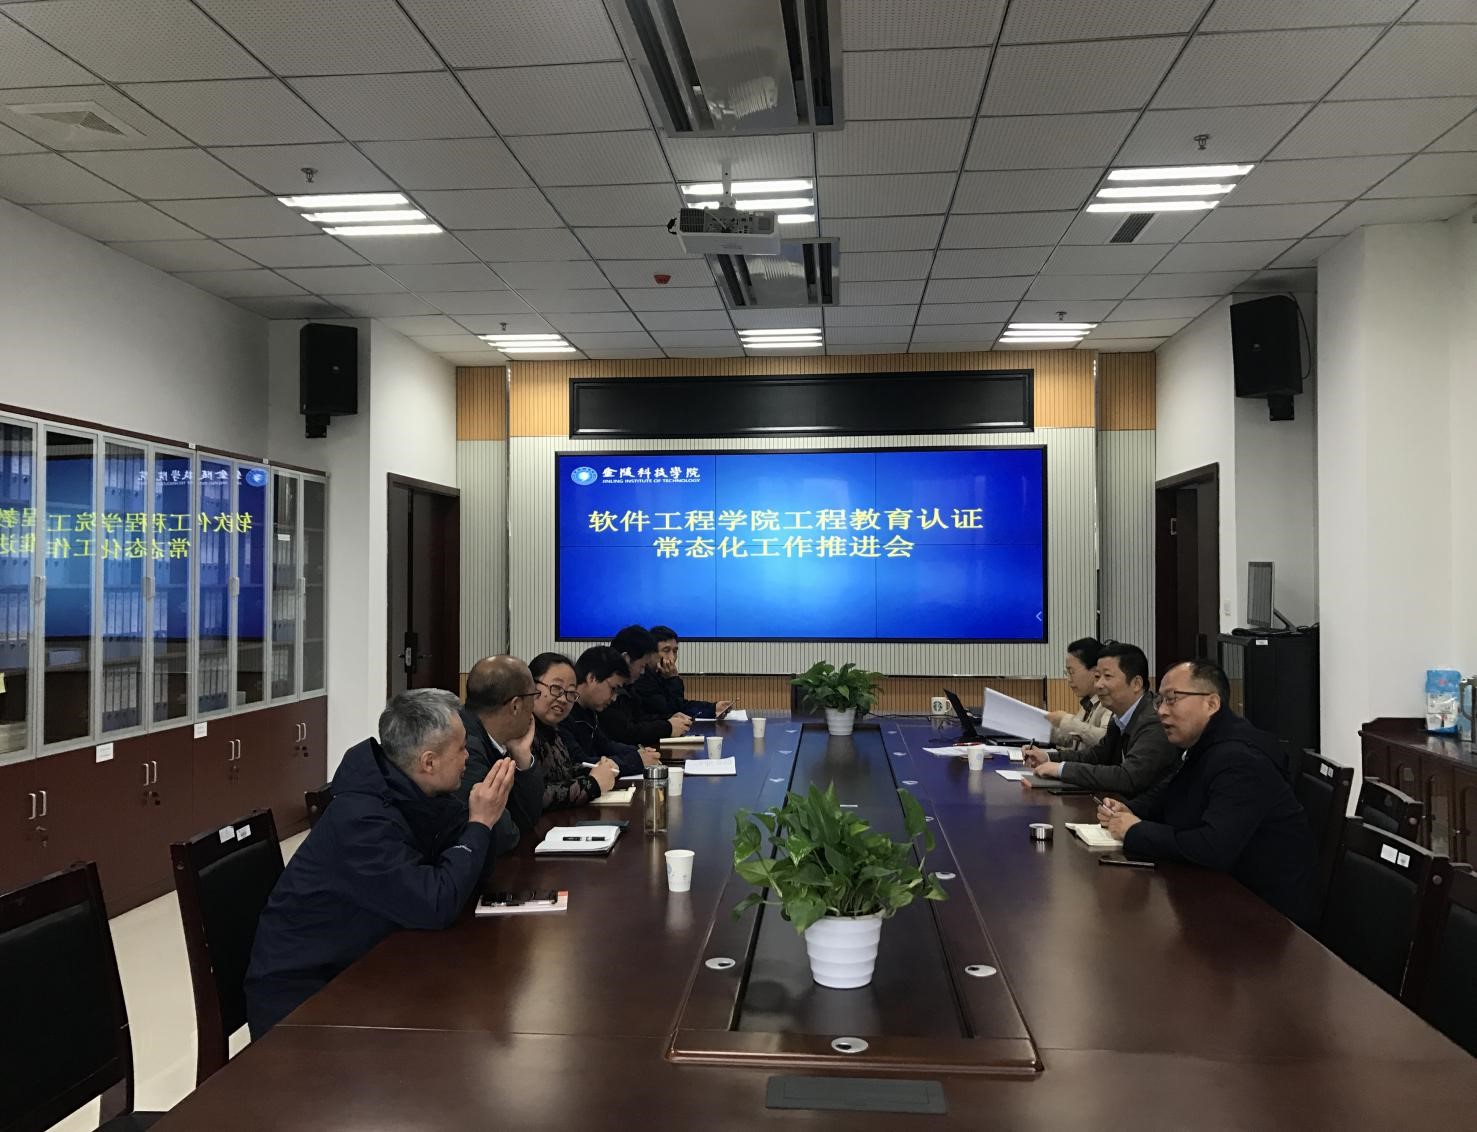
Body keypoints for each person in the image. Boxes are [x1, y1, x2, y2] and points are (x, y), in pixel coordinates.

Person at [245, 689, 516, 1038]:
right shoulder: (362, 821)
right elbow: (434, 903)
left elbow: (479, 864)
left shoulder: (414, 791)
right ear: (429, 762)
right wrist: (479, 823)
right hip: (305, 996)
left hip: (365, 964)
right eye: (462, 748)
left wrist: (487, 817)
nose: (468, 757)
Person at [1098, 659, 1320, 927]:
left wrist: (1135, 830)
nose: (1162, 711)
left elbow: (1212, 847)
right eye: (1160, 701)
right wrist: (1131, 810)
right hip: (1222, 893)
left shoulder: (1240, 759)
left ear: (1212, 704)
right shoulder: (1206, 744)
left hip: (1266, 918)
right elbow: (1170, 796)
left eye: (1172, 699)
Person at [1023, 641, 1178, 797]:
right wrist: (1048, 757)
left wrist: (1061, 769)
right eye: (1097, 677)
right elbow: (1095, 757)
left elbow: (1128, 777)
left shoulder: (1154, 720)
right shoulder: (1119, 719)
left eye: (1107, 676)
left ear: (1136, 684)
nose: (1098, 684)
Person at [457, 655, 547, 852]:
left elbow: (526, 819)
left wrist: (522, 756)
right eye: (534, 695)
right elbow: (505, 836)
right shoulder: (465, 748)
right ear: (516, 705)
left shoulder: (493, 738)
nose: (534, 706)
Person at [527, 651, 619, 809]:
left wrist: (596, 769)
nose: (563, 699)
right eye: (556, 688)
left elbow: (563, 772)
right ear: (531, 686)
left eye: (570, 693)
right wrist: (592, 784)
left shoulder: (552, 729)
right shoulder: (521, 732)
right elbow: (534, 796)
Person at [562, 645, 660, 776]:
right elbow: (581, 763)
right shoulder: (563, 712)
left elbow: (605, 746)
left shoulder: (589, 710)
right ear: (592, 678)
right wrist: (636, 761)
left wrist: (638, 751)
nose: (614, 698)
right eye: (613, 688)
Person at [600, 624, 693, 746]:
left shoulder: (628, 686)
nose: (643, 672)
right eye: (642, 666)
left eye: (675, 651)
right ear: (626, 659)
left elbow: (640, 718)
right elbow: (625, 732)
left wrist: (669, 719)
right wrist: (668, 726)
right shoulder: (608, 687)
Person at [635, 625, 733, 722]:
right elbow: (671, 710)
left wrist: (713, 708)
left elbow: (681, 705)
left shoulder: (662, 675)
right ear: (650, 653)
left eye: (675, 651)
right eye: (666, 650)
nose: (672, 657)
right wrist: (673, 679)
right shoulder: (640, 677)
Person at [1045, 636, 1113, 753]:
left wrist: (1066, 721)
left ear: (1095, 671)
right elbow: (1072, 740)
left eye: (1072, 672)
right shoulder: (1088, 702)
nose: (1069, 679)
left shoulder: (1109, 702)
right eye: (1067, 673)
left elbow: (1105, 740)